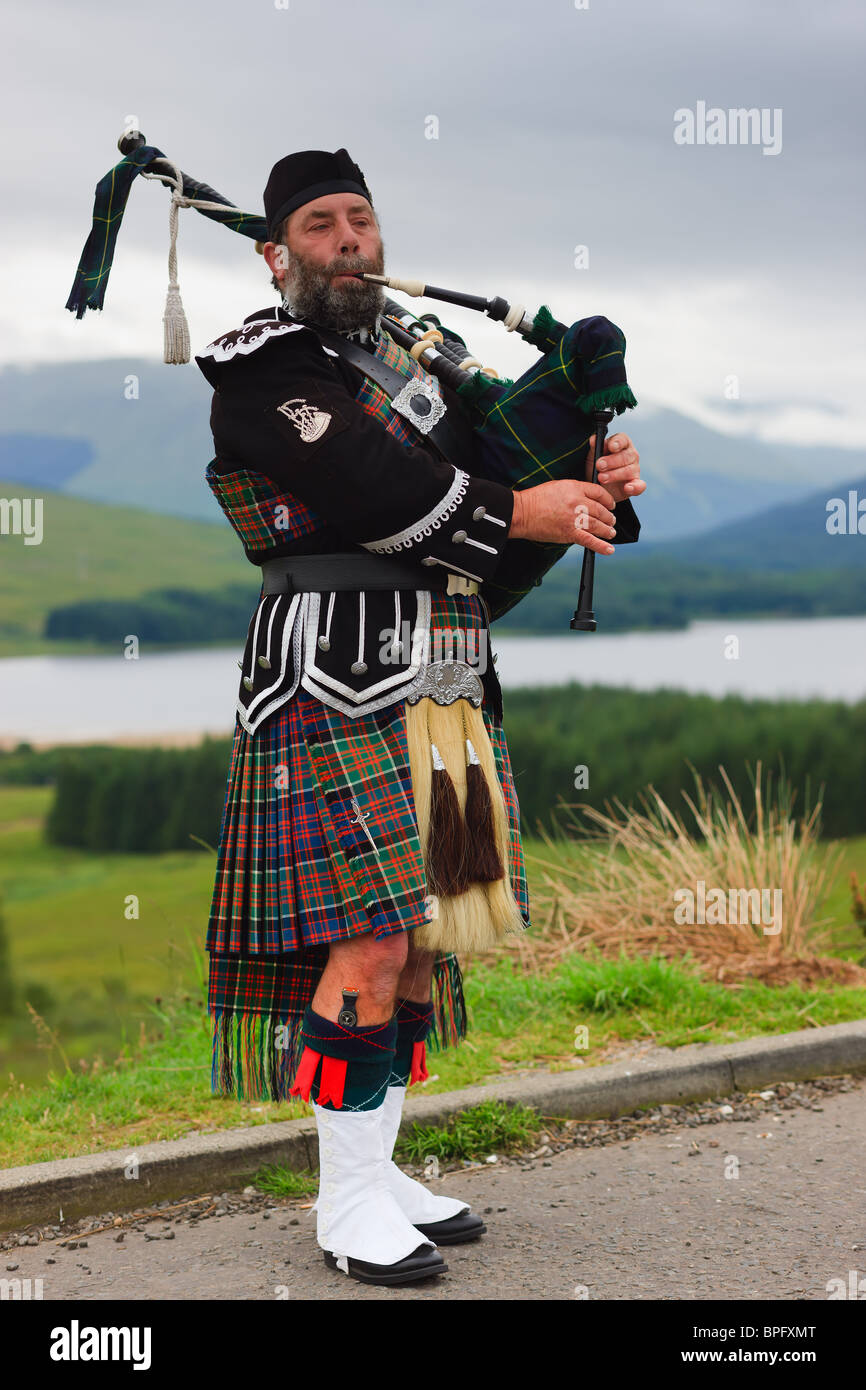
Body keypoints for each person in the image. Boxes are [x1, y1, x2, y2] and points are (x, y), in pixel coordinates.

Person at [194, 147, 645, 1287]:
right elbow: (375, 493)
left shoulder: (418, 363)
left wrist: (587, 469)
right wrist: (523, 503)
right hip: (329, 674)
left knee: (421, 932)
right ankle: (343, 1204)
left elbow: (500, 467)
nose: (348, 239)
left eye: (360, 218)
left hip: (439, 670)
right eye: (318, 226)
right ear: (275, 252)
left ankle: (377, 1170)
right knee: (371, 929)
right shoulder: (260, 370)